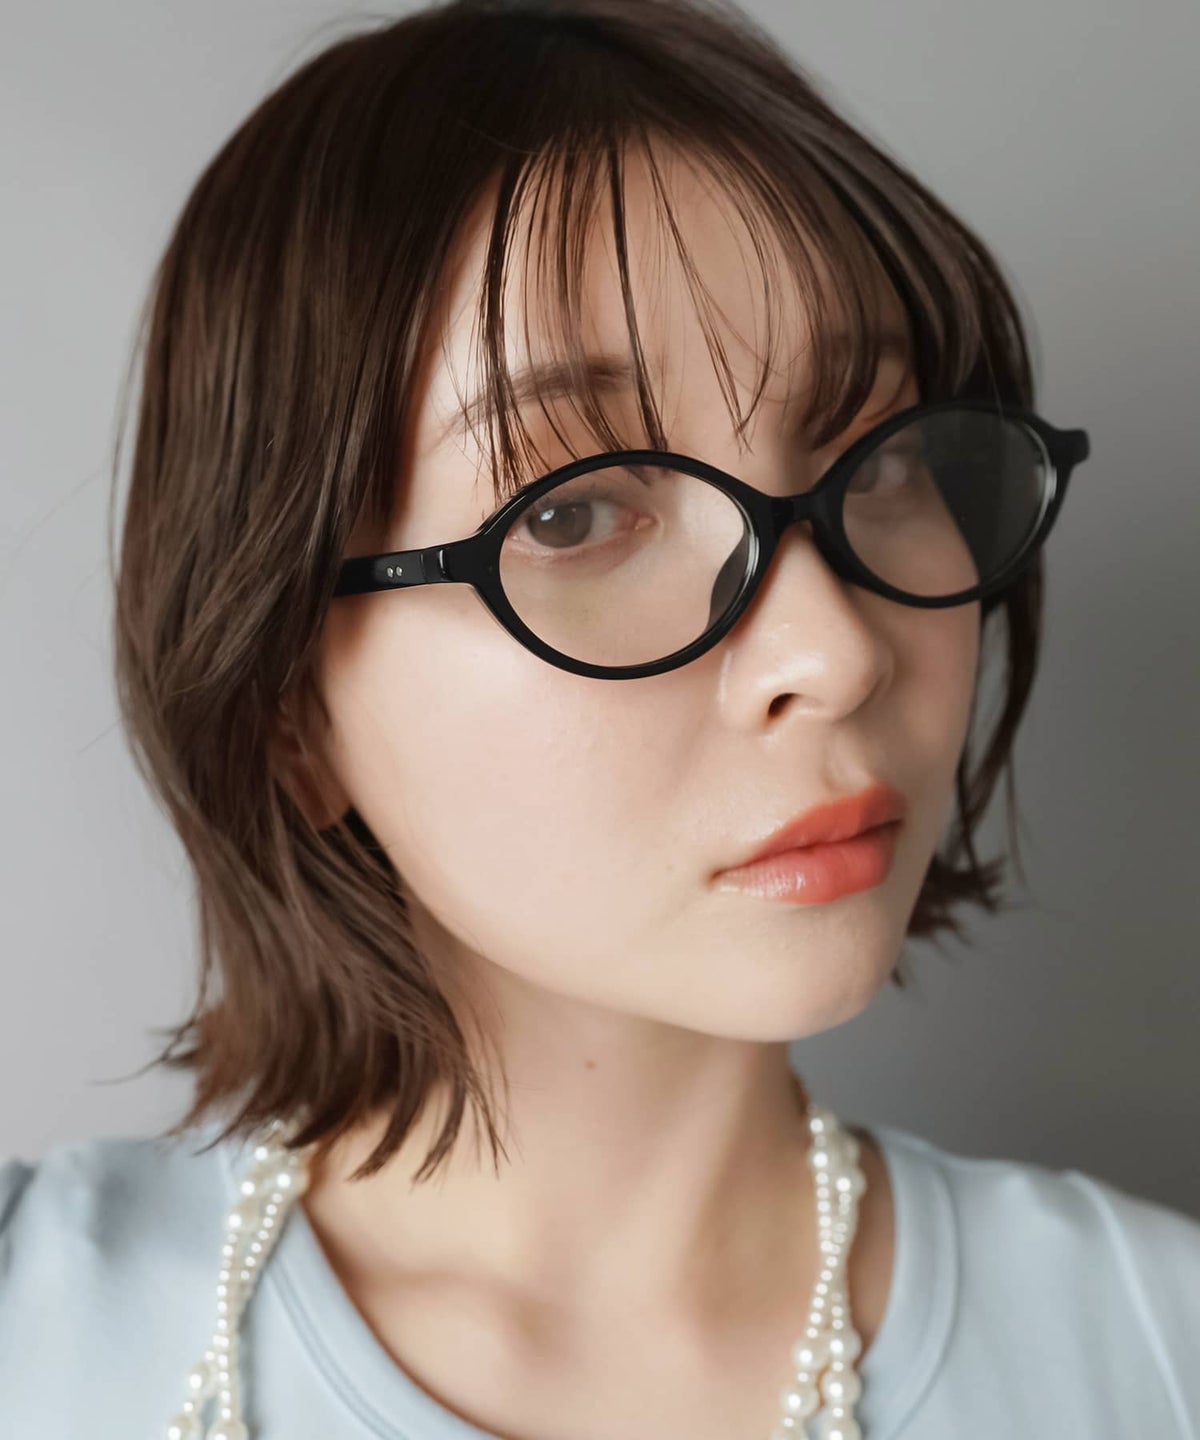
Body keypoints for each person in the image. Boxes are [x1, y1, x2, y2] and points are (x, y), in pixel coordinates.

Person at [2, 1, 1197, 1438]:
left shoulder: (1153, 1353)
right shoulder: (35, 1327)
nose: (833, 651)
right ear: (286, 708)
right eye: (573, 514)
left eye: (877, 459)